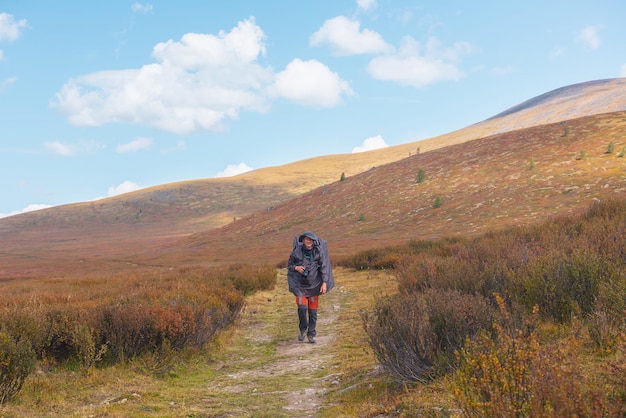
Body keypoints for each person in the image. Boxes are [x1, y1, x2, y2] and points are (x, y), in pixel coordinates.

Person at [287, 231, 334, 343]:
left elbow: (324, 268)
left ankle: (311, 334)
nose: (308, 241)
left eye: (310, 240)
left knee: (313, 312)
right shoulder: (296, 252)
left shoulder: (319, 251)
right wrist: (296, 268)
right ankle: (303, 328)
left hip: (314, 286)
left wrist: (324, 283)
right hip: (299, 286)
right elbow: (289, 265)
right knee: (302, 308)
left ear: (313, 241)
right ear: (303, 240)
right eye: (306, 239)